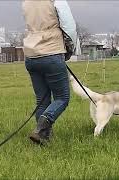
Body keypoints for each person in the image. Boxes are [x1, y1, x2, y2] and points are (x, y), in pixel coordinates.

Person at [23, 0, 77, 145]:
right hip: (52, 51)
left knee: (41, 100)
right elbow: (69, 27)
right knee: (62, 98)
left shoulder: (26, 2)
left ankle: (43, 138)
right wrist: (69, 50)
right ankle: (43, 125)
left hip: (31, 55)